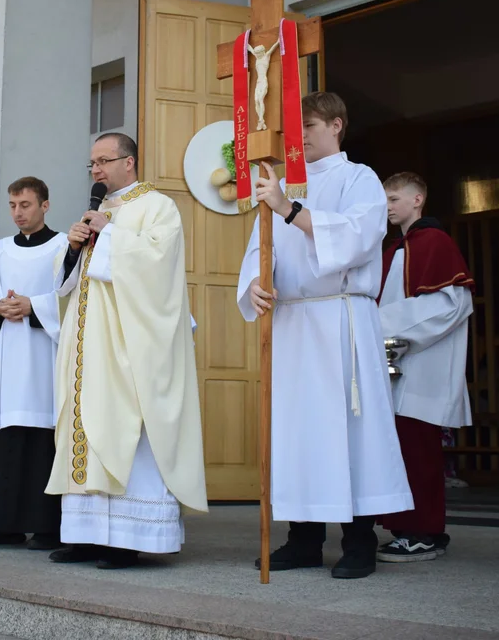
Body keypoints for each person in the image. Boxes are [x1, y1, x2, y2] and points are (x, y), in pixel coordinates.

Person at [237, 92, 412, 580]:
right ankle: (303, 539)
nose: (301, 138)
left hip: (340, 319)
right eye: (295, 129)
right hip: (293, 323)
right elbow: (259, 247)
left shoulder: (360, 179)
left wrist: (290, 208)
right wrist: (254, 283)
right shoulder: (284, 182)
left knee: (349, 431)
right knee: (298, 432)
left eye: (309, 126)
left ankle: (359, 542)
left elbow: (357, 238)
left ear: (336, 125)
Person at [46, 132, 206, 570]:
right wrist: (74, 248)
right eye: (91, 164)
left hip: (128, 346)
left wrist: (110, 233)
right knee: (87, 429)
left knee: (126, 429)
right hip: (88, 344)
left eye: (103, 161)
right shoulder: (98, 211)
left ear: (129, 162)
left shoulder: (157, 206)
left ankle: (128, 538)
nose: (96, 170)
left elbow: (160, 264)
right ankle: (86, 535)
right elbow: (66, 285)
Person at [0, 177, 67, 550]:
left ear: (45, 205)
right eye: (12, 205)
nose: (18, 212)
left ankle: (45, 527)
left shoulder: (63, 247)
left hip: (42, 358)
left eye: (25, 204)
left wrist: (33, 306)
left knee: (41, 440)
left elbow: (72, 300)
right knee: (2, 440)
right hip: (4, 358)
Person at [376, 172, 474, 562]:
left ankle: (424, 531)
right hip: (392, 362)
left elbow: (452, 304)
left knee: (418, 449)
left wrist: (378, 325)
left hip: (422, 365)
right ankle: (406, 528)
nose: (388, 207)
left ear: (418, 200)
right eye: (385, 199)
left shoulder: (435, 242)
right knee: (397, 446)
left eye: (395, 198)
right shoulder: (391, 249)